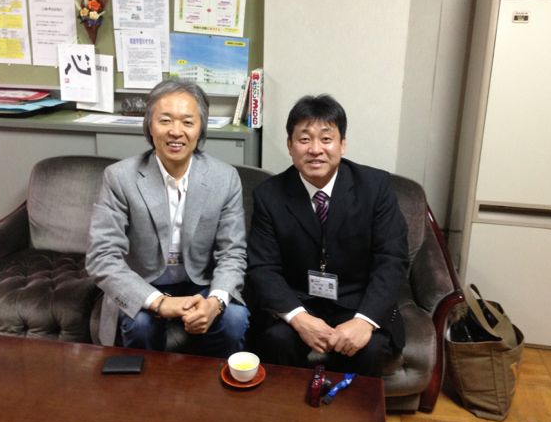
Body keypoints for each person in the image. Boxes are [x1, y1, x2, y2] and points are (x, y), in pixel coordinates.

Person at [246, 94, 408, 376]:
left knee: (370, 349)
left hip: (358, 301)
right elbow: (262, 267)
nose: (315, 149)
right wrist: (298, 318)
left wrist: (364, 321)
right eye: (304, 139)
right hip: (299, 300)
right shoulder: (268, 195)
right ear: (290, 145)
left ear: (342, 144)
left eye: (326, 139)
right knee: (276, 340)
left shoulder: (375, 187)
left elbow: (392, 259)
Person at [87, 79, 249, 358]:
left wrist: (215, 302)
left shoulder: (224, 178)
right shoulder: (120, 177)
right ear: (150, 126)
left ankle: (214, 382)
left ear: (200, 128)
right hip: (145, 282)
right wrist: (160, 302)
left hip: (201, 283)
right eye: (165, 120)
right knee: (140, 324)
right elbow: (102, 256)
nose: (176, 131)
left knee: (234, 319)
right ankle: (147, 385)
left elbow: (232, 253)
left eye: (187, 122)